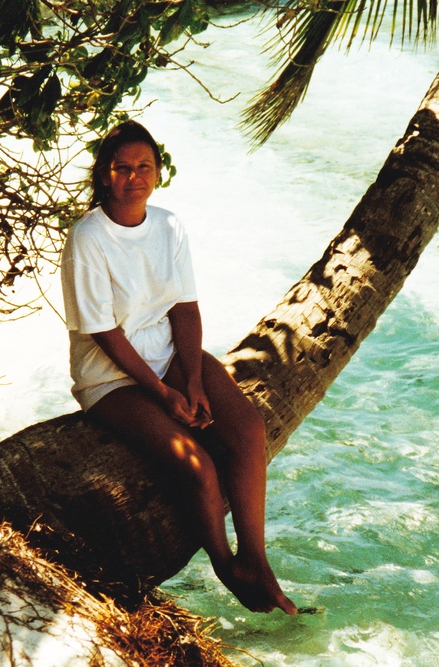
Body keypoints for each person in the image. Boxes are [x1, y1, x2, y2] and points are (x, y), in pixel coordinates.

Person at [60, 120, 297, 615]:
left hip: (169, 357)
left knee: (248, 430)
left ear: (158, 172)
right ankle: (226, 566)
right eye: (121, 167)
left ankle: (257, 557)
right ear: (105, 175)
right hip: (111, 376)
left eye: (144, 166)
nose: (133, 176)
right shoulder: (88, 237)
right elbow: (104, 333)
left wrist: (191, 379)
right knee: (200, 467)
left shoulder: (169, 226)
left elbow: (184, 309)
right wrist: (163, 395)